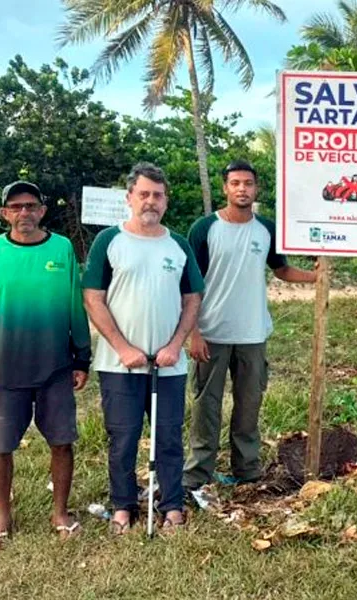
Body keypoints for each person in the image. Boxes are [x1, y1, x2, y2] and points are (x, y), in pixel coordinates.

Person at [82, 163, 204, 535]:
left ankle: (171, 506)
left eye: (158, 195)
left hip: (168, 364)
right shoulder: (109, 241)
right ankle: (122, 506)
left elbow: (193, 299)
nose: (151, 201)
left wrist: (174, 345)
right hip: (120, 364)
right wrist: (122, 346)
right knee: (123, 437)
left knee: (168, 437)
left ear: (166, 201)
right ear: (130, 198)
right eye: (144, 194)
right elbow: (92, 298)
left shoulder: (178, 245)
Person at [182, 160, 315, 494]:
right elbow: (189, 284)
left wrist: (317, 276)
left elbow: (281, 270)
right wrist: (193, 332)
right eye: (235, 183)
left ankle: (247, 471)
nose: (242, 189)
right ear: (225, 188)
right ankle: (198, 474)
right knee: (206, 408)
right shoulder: (204, 228)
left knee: (249, 404)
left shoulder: (265, 229)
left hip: (253, 333)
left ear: (257, 189)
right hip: (211, 333)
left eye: (249, 183)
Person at [0, 181, 91, 553]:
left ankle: (60, 513)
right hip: (6, 374)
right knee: (1, 446)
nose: (24, 213)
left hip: (56, 369)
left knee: (62, 441)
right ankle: (3, 518)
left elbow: (75, 305)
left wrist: (81, 357)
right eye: (15, 207)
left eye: (31, 206)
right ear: (5, 213)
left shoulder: (62, 249)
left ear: (42, 210)